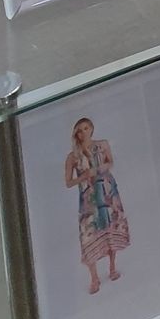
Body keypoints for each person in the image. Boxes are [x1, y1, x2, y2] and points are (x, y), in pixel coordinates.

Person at [64, 117, 128, 294]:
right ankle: (94, 277)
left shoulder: (102, 144)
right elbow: (68, 182)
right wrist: (84, 176)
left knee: (110, 225)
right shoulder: (73, 156)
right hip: (88, 197)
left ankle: (112, 267)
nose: (83, 132)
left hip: (107, 190)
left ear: (91, 129)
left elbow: (110, 162)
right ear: (76, 134)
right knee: (89, 233)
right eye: (80, 130)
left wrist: (100, 169)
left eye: (86, 128)